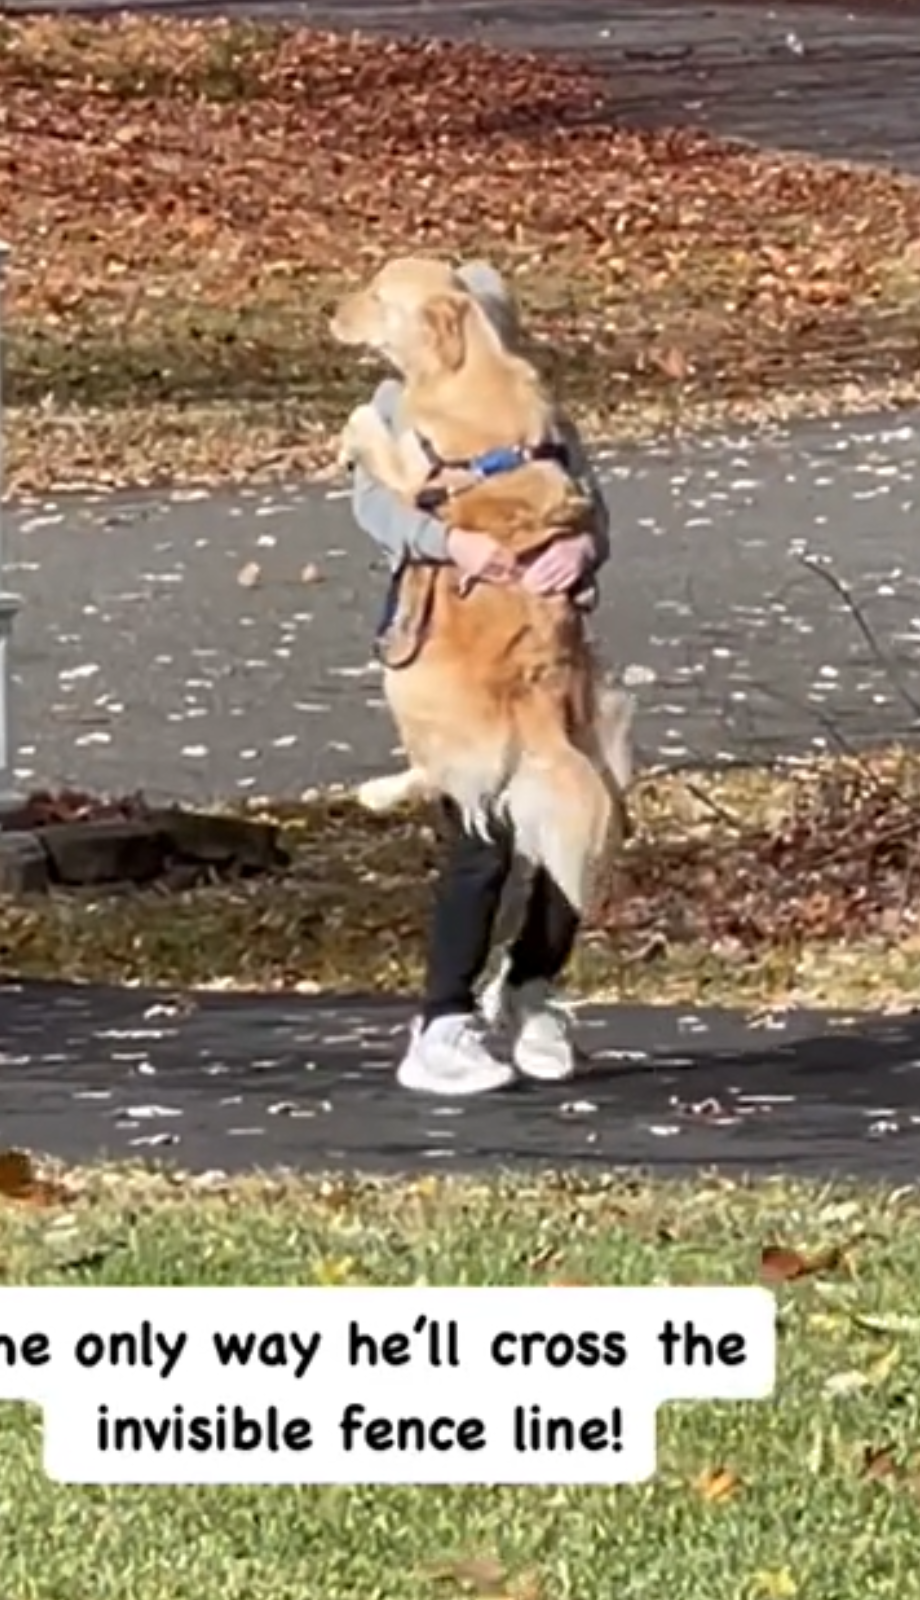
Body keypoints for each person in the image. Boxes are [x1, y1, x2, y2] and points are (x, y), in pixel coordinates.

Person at [348, 261, 612, 1098]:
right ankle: (443, 1023)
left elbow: (585, 496)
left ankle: (532, 988)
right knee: (482, 838)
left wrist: (584, 548)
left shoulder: (533, 405)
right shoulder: (396, 412)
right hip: (456, 647)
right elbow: (375, 508)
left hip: (549, 649)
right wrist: (450, 544)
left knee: (587, 823)